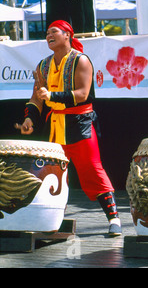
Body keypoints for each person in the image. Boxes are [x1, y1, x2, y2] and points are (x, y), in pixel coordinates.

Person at [19, 20, 122, 236]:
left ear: (67, 35)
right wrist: (30, 118)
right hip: (55, 126)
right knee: (50, 174)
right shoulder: (43, 65)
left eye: (54, 31)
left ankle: (114, 219)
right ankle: (50, 220)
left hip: (79, 124)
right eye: (47, 33)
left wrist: (52, 96)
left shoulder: (81, 60)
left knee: (92, 171)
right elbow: (36, 98)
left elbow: (83, 94)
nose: (49, 35)